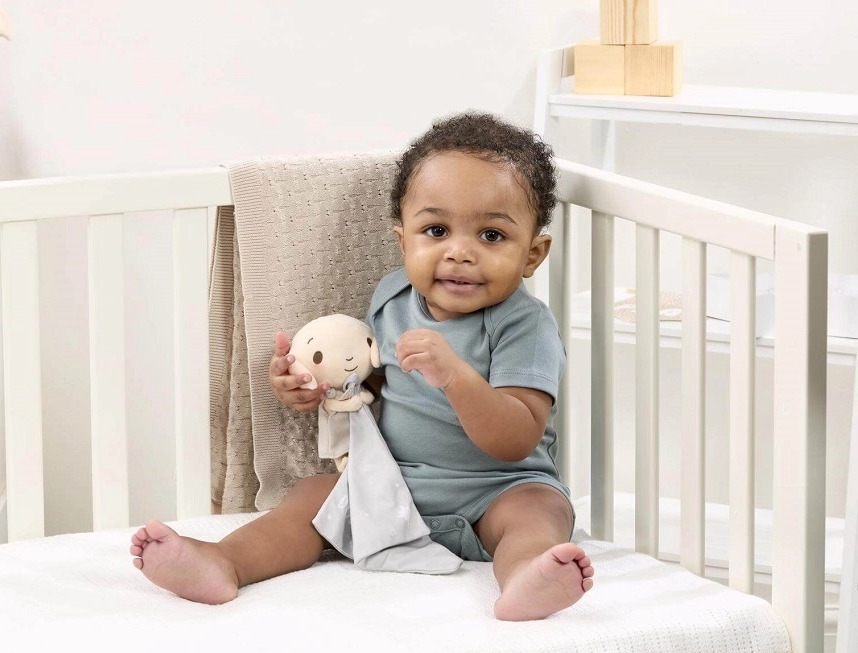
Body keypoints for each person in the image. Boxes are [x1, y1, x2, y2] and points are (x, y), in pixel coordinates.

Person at [130, 112, 593, 620]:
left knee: (540, 511)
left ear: (533, 254)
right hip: (392, 485)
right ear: (404, 240)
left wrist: (456, 376)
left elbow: (517, 438)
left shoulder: (525, 326)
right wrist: (316, 387)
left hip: (498, 490)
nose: (459, 252)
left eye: (491, 236)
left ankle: (527, 575)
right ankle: (225, 562)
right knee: (310, 496)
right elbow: (378, 383)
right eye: (436, 230)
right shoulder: (393, 298)